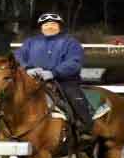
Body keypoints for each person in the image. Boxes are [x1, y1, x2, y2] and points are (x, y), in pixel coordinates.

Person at [16, 12, 94, 142]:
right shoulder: (30, 42)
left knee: (75, 98)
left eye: (53, 24)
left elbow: (74, 62)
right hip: (34, 80)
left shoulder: (70, 42)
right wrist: (27, 68)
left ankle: (85, 129)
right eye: (46, 24)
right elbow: (18, 57)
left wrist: (54, 72)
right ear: (41, 27)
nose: (49, 27)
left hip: (63, 80)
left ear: (59, 26)